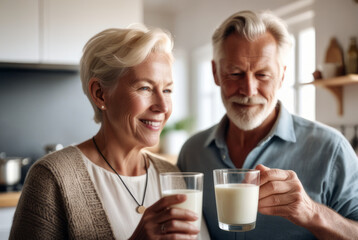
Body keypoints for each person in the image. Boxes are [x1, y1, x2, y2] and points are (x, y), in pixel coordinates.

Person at [10, 25, 209, 239]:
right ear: (100, 94)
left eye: (167, 90)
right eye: (145, 88)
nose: (163, 106)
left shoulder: (173, 176)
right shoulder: (52, 178)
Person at [177, 10, 358, 239]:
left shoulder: (332, 150)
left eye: (262, 75)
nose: (249, 90)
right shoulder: (192, 153)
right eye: (235, 73)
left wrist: (311, 213)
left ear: (282, 76)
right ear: (215, 72)